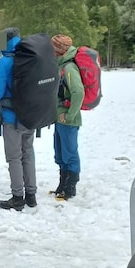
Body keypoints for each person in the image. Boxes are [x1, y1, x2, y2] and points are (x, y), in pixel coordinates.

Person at [0, 27, 37, 211]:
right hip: (31, 115)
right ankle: (31, 195)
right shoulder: (30, 57)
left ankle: (17, 197)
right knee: (27, 153)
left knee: (14, 157)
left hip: (12, 117)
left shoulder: (4, 62)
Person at [52, 34, 85, 200]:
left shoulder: (69, 68)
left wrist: (70, 115)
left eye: (53, 48)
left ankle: (70, 188)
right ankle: (62, 184)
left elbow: (78, 92)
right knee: (60, 153)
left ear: (59, 50)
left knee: (70, 152)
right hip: (60, 117)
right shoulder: (61, 65)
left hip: (68, 120)